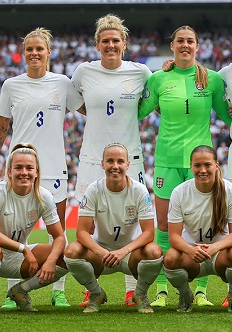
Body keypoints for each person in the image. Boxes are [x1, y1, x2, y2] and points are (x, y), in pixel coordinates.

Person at [0, 27, 83, 308]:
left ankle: (58, 291)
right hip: (19, 167)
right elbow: (1, 127)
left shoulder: (63, 83)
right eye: (29, 49)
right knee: (13, 230)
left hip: (53, 167)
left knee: (60, 231)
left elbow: (88, 109)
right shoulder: (11, 85)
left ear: (48, 53)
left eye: (39, 48)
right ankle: (12, 290)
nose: (34, 53)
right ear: (23, 53)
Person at [138, 25, 232, 307]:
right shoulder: (158, 79)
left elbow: (229, 116)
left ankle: (201, 289)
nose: (185, 45)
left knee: (205, 225)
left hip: (201, 163)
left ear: (197, 46)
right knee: (165, 226)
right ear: (173, 45)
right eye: (180, 41)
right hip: (166, 160)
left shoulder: (212, 79)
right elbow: (139, 110)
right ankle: (163, 289)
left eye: (190, 41)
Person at [71, 14, 151, 308]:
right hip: (92, 158)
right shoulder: (83, 72)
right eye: (105, 41)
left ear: (124, 43)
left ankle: (133, 290)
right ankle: (91, 289)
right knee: (86, 225)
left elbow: (152, 98)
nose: (111, 45)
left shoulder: (141, 72)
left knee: (133, 221)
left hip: (130, 157)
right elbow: (74, 102)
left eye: (116, 40)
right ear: (97, 45)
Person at [0, 143, 69, 314]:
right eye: (18, 168)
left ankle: (20, 291)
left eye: (29, 168)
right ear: (9, 172)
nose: (24, 172)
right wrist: (23, 248)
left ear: (36, 172)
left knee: (66, 255)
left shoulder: (43, 196)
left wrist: (51, 261)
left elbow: (59, 237)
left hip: (18, 260)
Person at [64, 143, 162, 313]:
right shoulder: (93, 190)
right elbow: (81, 232)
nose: (115, 166)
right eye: (110, 161)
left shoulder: (139, 191)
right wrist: (102, 252)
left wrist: (123, 251)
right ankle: (95, 294)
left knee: (154, 252)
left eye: (120, 161)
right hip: (101, 255)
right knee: (71, 252)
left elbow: (148, 233)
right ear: (102, 164)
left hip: (129, 254)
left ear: (127, 164)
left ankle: (140, 294)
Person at [162, 145, 232, 312]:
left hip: (221, 253)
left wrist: (215, 247)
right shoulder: (179, 192)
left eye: (207, 165)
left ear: (216, 165)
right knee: (170, 257)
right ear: (191, 166)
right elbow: (174, 236)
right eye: (197, 165)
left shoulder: (230, 191)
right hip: (192, 255)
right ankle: (185, 295)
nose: (203, 170)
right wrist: (190, 250)